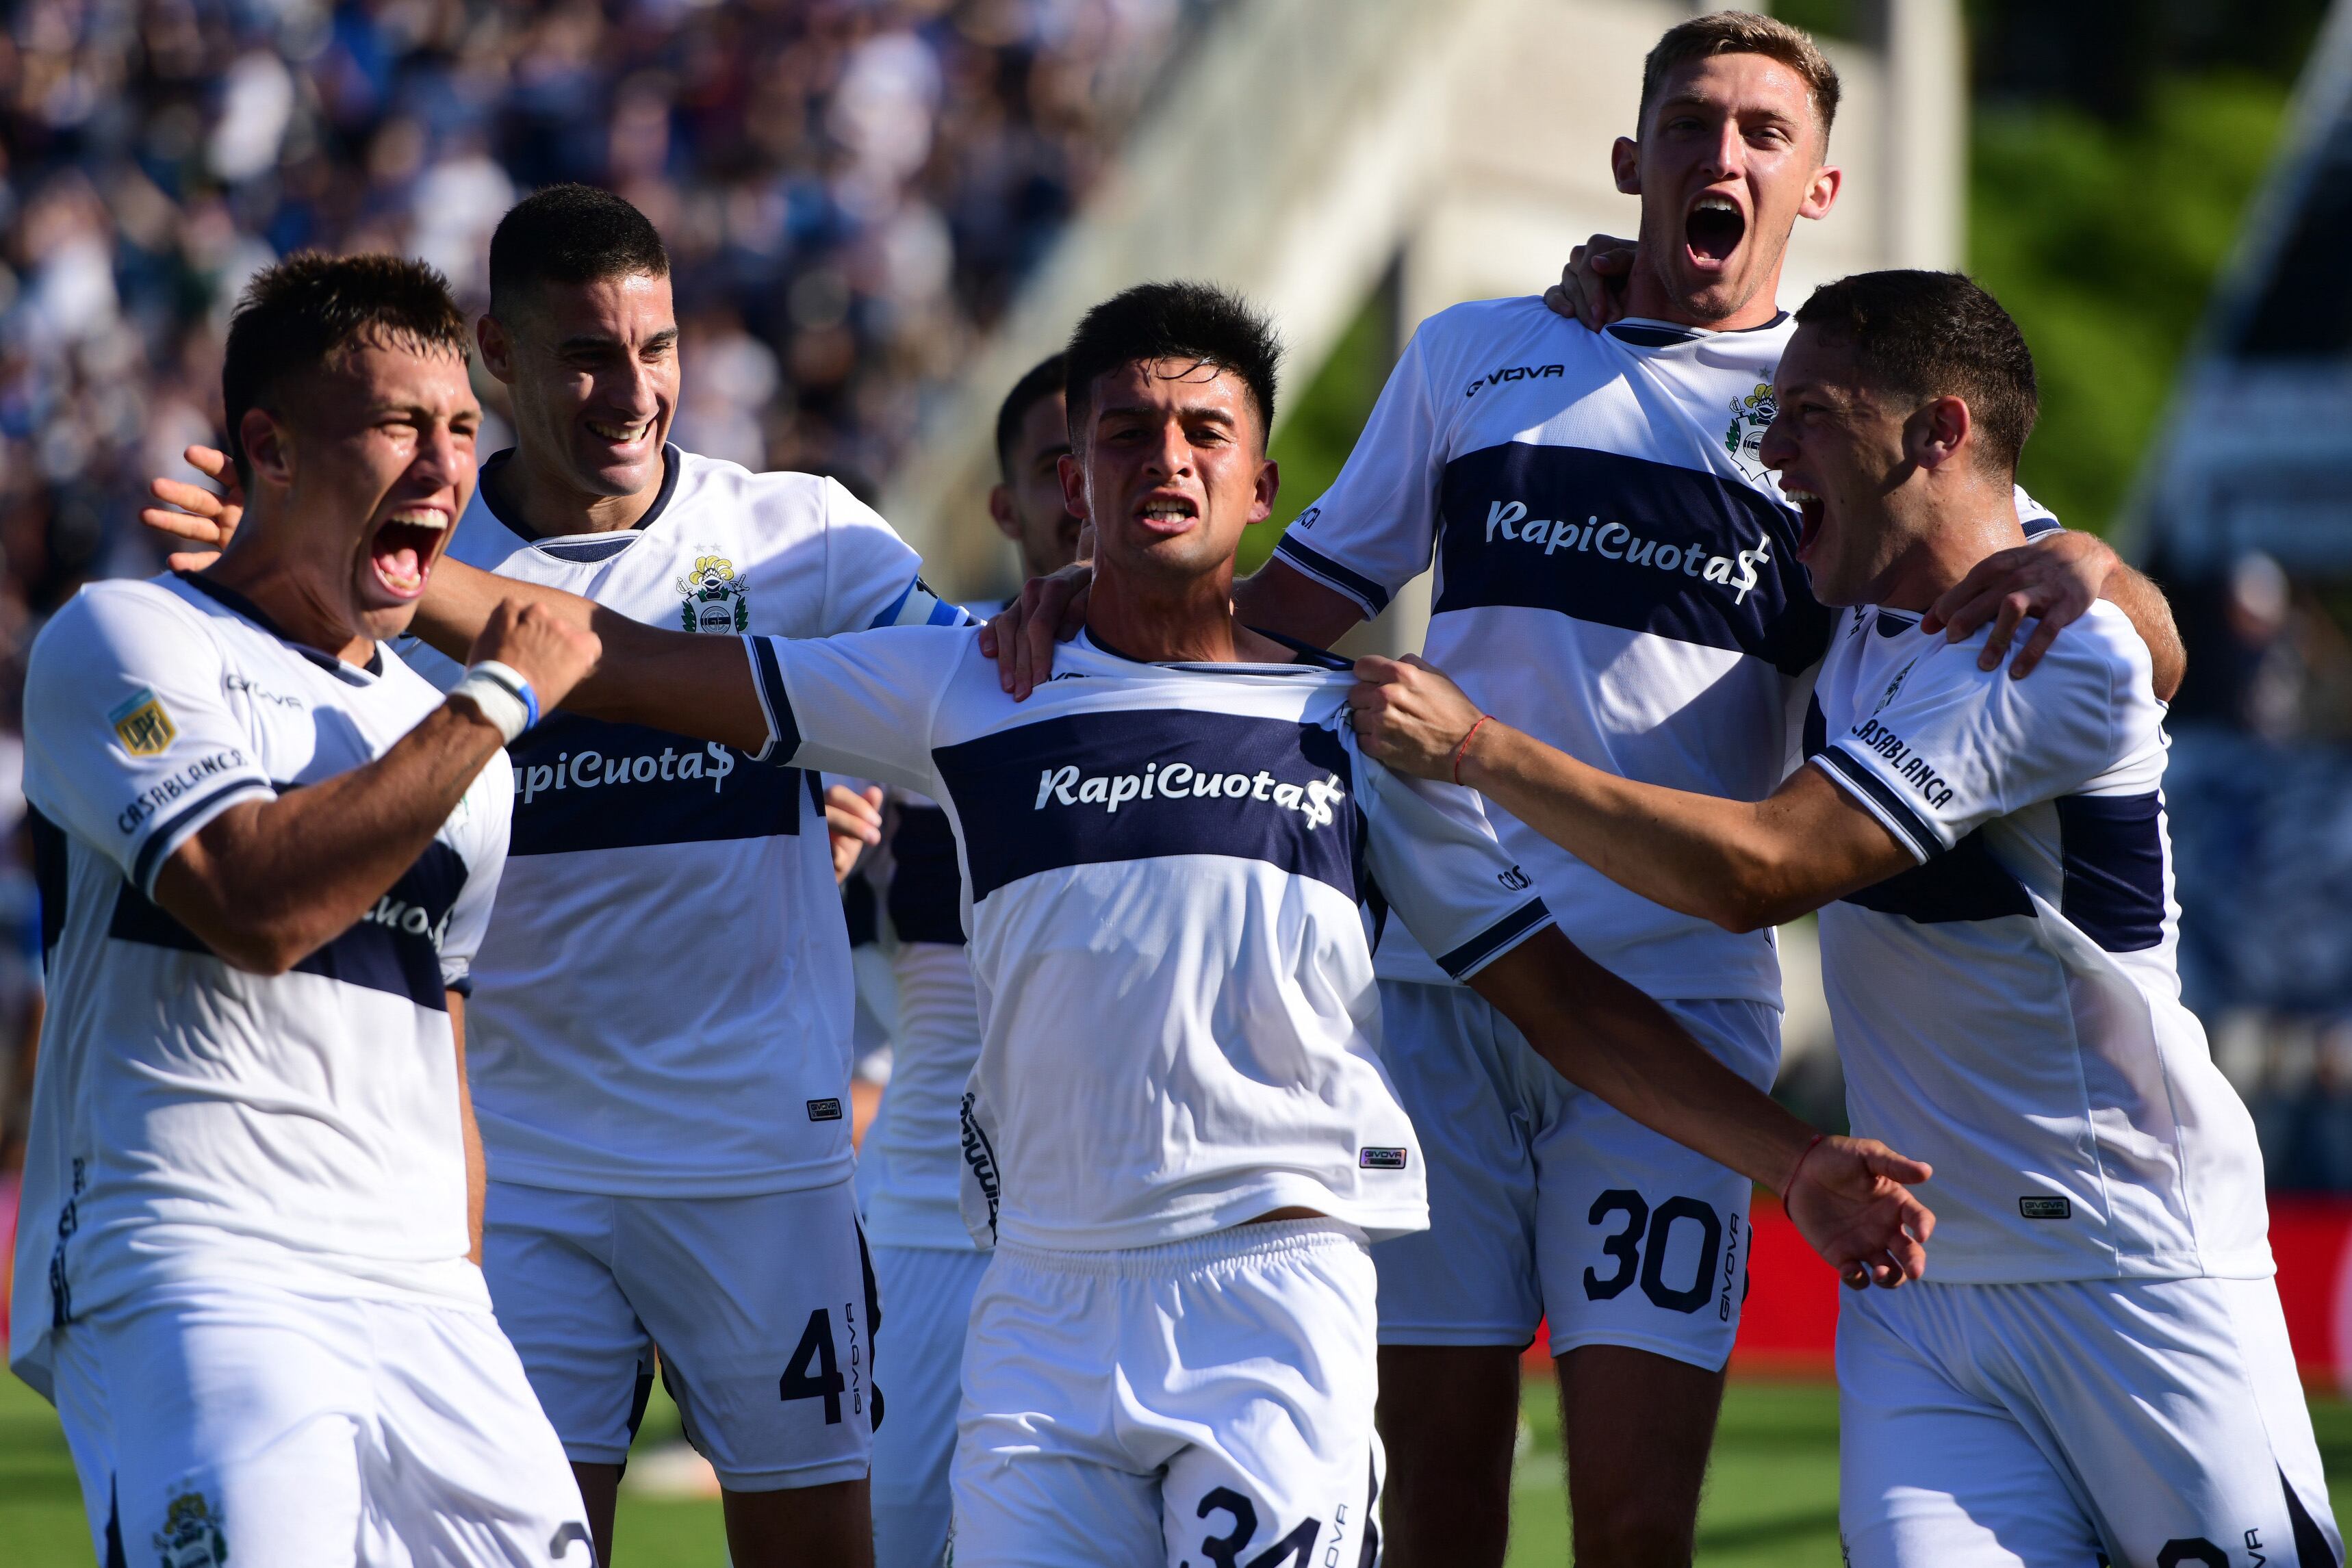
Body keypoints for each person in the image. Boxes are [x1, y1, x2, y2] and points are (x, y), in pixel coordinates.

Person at [400, 278, 1937, 1568]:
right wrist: (384, 568)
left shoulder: (1356, 731)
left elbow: (1560, 1002)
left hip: (1270, 1300)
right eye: (1122, 432)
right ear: (1068, 479)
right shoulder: (967, 689)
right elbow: (621, 660)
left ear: (1263, 489)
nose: (1166, 459)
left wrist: (1790, 1161)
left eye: (1206, 433)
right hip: (1040, 1309)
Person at [982, 15, 2186, 1566]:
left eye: (1764, 134)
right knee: (1439, 1505)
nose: (1723, 155)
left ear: (1819, 190)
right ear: (1629, 161)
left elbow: (2132, 652)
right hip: (1432, 990)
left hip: (1677, 1010)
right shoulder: (1477, 355)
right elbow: (1279, 616)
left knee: (1628, 1521)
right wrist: (1068, 621)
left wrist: (2088, 559)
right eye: (1691, 124)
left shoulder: (1843, 417)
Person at [1349, 268, 2338, 1568]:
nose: (1773, 447)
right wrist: (1619, 289)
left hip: (2130, 1266)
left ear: (1935, 433)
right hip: (1915, 1292)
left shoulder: (2043, 653)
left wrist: (1477, 746)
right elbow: (2124, 609)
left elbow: (1758, 873)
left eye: (1809, 415)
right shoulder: (1870, 605)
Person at [142, 184, 960, 1568]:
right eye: (586, 354)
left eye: (656, 346)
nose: (630, 390)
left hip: (760, 1156)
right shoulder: (395, 560)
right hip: (513, 1166)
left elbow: (960, 688)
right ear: (495, 357)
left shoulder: (803, 536)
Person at [12, 253, 601, 1565]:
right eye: (399, 424)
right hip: (201, 1255)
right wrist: (495, 702)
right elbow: (250, 902)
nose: (446, 467)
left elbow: (436, 1035)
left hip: (423, 1292)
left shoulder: (432, 723)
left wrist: (458, 1281)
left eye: (462, 428)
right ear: (267, 448)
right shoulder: (128, 641)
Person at [842, 352, 1088, 1568]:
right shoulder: (925, 681)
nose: (1088, 487)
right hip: (928, 1215)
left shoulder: (1251, 693)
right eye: (1059, 463)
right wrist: (811, 856)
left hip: (1134, 1223)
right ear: (1003, 507)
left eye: (1116, 453)